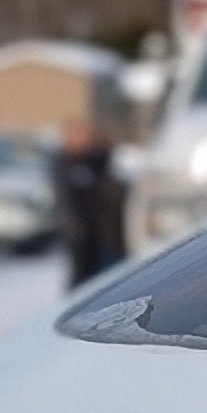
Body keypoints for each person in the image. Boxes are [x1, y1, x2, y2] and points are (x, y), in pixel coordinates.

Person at [50, 115, 128, 286]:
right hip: (83, 236)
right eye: (79, 135)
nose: (86, 139)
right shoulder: (65, 165)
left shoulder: (94, 161)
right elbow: (67, 201)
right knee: (83, 280)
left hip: (106, 237)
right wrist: (74, 227)